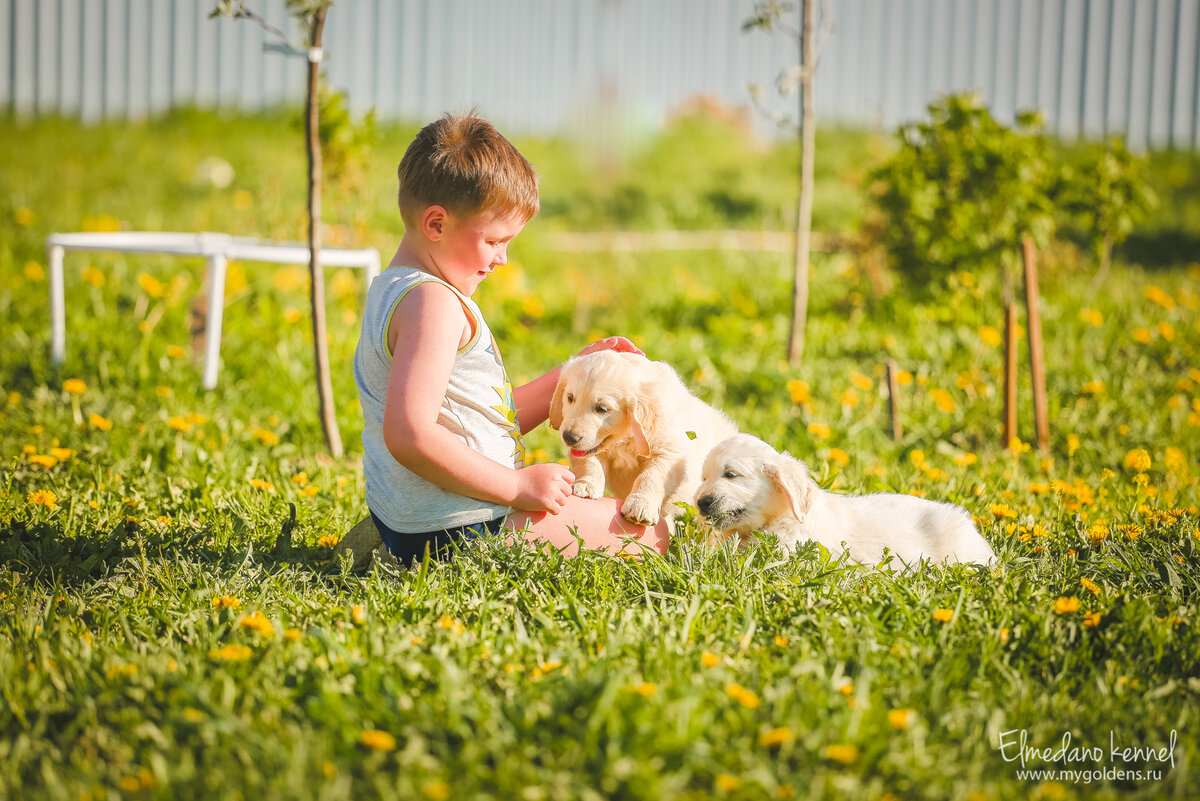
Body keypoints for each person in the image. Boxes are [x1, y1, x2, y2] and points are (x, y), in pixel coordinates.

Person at [345, 112, 670, 566]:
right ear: (436, 224)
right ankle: (434, 549)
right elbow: (409, 435)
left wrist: (576, 373)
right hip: (463, 524)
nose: (502, 258)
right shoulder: (433, 306)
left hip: (420, 519)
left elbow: (483, 419)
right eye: (495, 241)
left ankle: (404, 545)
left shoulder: (395, 288)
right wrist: (517, 487)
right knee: (653, 533)